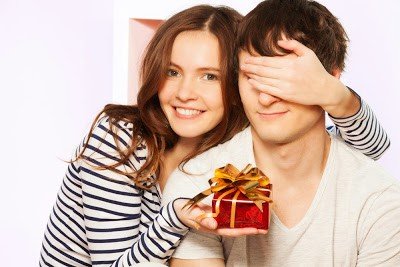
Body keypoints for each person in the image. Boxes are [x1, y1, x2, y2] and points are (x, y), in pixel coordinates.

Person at [40, 3, 391, 267]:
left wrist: (332, 93)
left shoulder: (246, 136)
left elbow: (369, 149)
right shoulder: (120, 139)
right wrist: (176, 219)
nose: (184, 93)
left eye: (209, 76)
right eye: (172, 71)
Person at [161, 1, 400, 266]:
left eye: (283, 80)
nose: (264, 98)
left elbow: (374, 145)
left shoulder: (378, 198)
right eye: (252, 77)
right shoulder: (197, 185)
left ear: (329, 81)